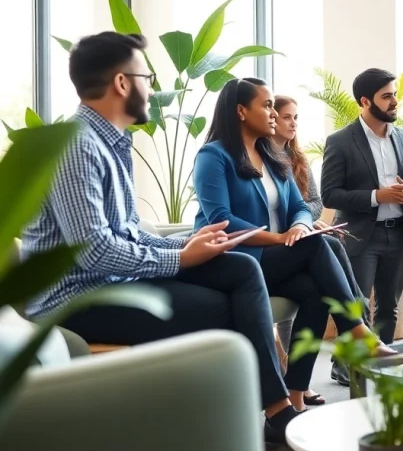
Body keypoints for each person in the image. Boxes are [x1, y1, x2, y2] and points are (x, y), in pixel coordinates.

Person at [19, 33, 301, 444]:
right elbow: (95, 252)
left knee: (239, 267)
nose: (152, 88)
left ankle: (275, 410)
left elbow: (128, 233)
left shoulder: (110, 143)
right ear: (121, 83)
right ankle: (223, 424)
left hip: (113, 284)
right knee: (224, 310)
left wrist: (189, 243)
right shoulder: (76, 145)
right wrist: (182, 259)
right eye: (146, 76)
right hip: (76, 299)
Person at [192, 77, 403, 418]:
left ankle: (295, 397)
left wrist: (298, 226)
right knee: (318, 247)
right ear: (240, 111)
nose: (274, 114)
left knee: (314, 290)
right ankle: (357, 332)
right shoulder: (214, 156)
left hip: (273, 260)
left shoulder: (271, 153)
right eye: (266, 106)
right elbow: (222, 219)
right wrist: (280, 238)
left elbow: (298, 205)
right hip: (237, 259)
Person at [320, 68, 403, 344]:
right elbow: (330, 195)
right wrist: (376, 197)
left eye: (394, 95)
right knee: (355, 310)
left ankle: (381, 369)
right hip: (359, 237)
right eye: (386, 96)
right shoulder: (340, 141)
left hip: (399, 235)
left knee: (388, 310)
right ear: (365, 101)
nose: (394, 102)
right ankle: (348, 369)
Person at [271, 94, 369, 396]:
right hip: (277, 242)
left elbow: (311, 201)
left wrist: (305, 221)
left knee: (326, 248)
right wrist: (297, 223)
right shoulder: (258, 160)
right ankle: (357, 318)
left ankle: (297, 388)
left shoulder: (296, 159)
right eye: (286, 116)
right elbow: (278, 210)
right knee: (328, 246)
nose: (292, 123)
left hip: (298, 234)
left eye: (296, 117)